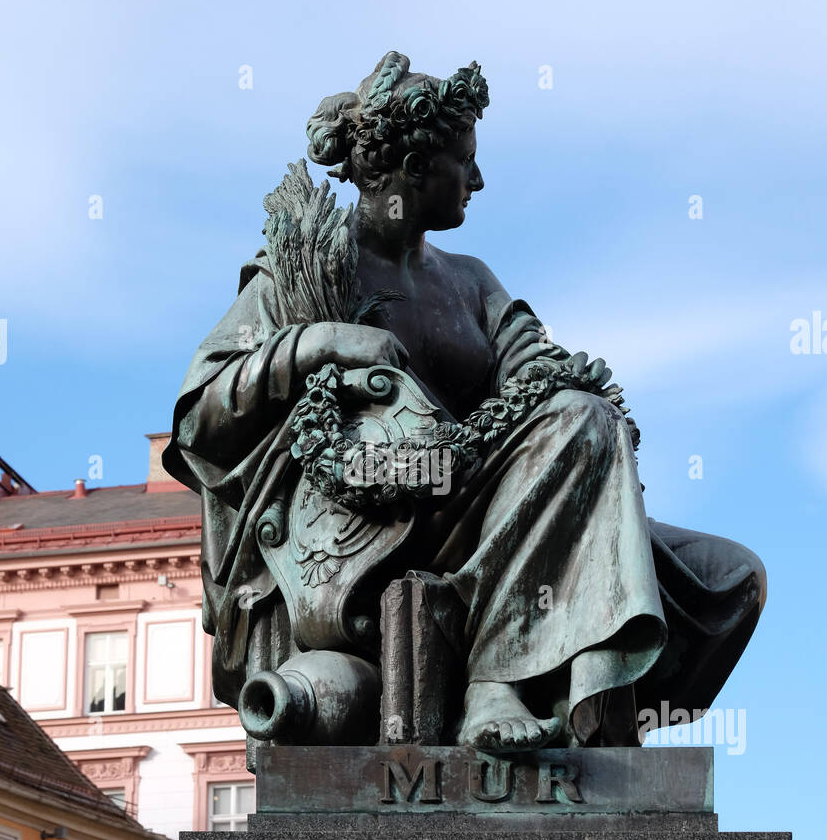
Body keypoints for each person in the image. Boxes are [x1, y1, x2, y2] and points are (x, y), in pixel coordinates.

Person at [164, 52, 766, 751]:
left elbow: (539, 373)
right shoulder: (306, 270)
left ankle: (586, 719)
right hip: (384, 519)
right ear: (415, 168)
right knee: (580, 420)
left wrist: (577, 403)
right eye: (464, 161)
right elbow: (198, 417)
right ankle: (492, 681)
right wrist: (313, 344)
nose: (476, 180)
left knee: (729, 577)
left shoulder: (472, 280)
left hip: (495, 499)